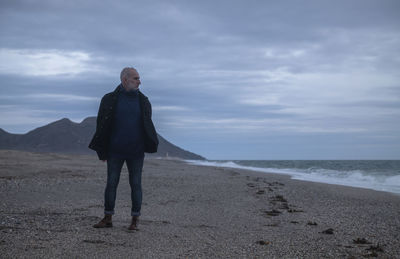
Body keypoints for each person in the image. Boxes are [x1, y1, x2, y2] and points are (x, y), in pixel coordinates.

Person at [89, 67, 158, 230]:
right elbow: (102, 126)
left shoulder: (144, 101)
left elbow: (147, 124)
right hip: (115, 151)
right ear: (124, 79)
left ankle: (134, 220)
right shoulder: (109, 99)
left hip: (136, 152)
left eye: (139, 78)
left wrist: (151, 143)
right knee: (111, 183)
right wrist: (102, 150)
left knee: (136, 184)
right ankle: (108, 217)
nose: (139, 81)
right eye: (136, 78)